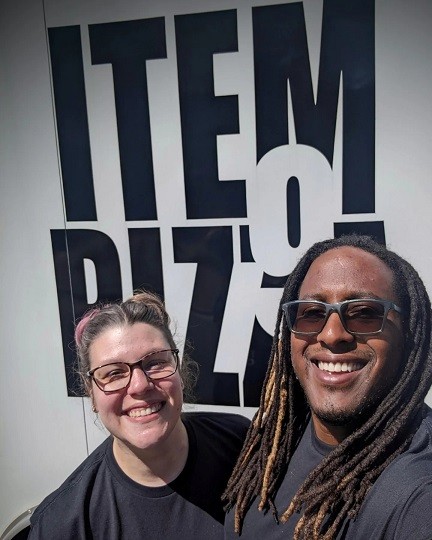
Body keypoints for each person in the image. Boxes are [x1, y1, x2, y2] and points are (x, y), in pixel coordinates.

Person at [224, 235, 432, 539]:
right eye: (312, 313)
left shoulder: (417, 499)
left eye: (363, 313)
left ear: (408, 334)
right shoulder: (273, 442)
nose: (332, 335)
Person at [29, 291, 249, 539]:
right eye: (113, 373)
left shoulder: (240, 443)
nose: (139, 386)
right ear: (92, 394)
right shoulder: (64, 524)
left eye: (155, 363)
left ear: (180, 372)